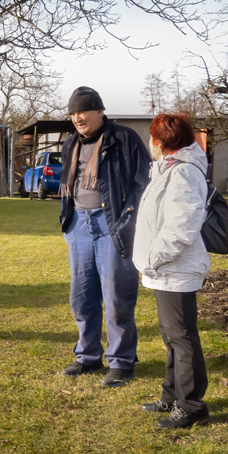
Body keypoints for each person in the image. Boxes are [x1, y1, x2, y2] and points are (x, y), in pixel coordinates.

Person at [59, 86, 150, 386]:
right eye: (73, 113)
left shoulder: (124, 139)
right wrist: (67, 219)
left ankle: (122, 362)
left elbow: (143, 182)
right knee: (82, 296)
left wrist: (129, 217)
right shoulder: (70, 143)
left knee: (117, 296)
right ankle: (87, 357)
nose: (78, 118)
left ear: (100, 111)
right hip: (79, 225)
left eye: (83, 111)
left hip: (112, 225)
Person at [133, 113, 212, 429]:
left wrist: (153, 257)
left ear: (158, 142)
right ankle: (172, 395)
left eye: (151, 138)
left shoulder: (183, 173)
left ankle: (192, 406)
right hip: (165, 268)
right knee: (172, 336)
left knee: (182, 338)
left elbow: (182, 227)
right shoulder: (170, 169)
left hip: (175, 268)